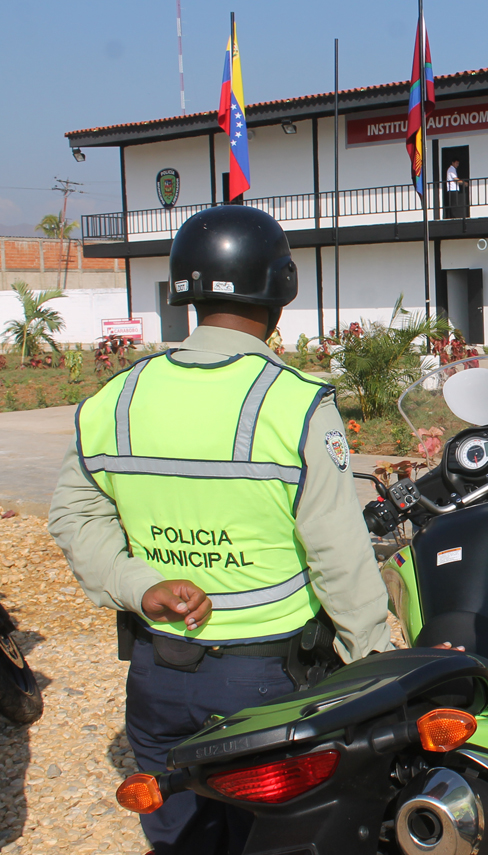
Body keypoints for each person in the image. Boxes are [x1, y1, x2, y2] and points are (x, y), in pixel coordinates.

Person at [48, 205, 393, 855]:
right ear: (280, 291)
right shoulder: (292, 403)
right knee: (284, 840)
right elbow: (338, 557)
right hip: (270, 686)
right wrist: (374, 669)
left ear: (186, 290)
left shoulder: (116, 400)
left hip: (157, 679)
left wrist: (140, 582)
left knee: (183, 841)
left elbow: (73, 514)